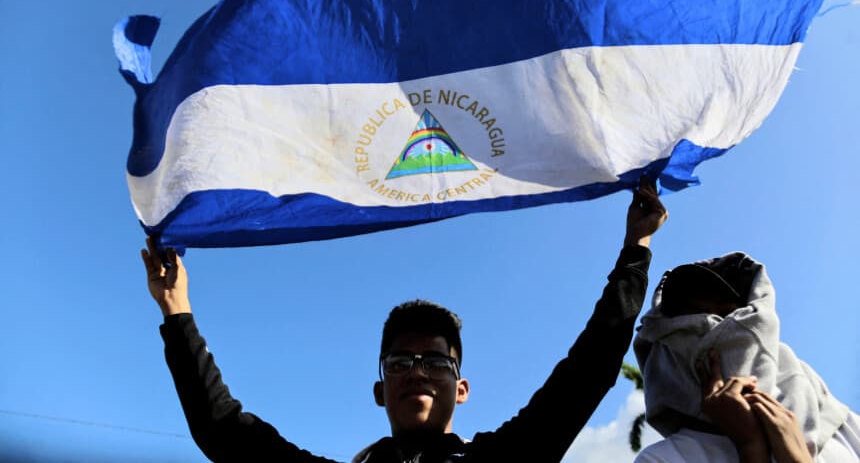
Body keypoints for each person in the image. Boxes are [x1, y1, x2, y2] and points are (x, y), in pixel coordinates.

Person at [142, 178, 668, 463]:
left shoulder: (506, 459)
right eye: (400, 363)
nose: (417, 371)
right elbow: (224, 432)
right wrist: (175, 309)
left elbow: (588, 371)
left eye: (435, 362)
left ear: (461, 388)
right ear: (379, 390)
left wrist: (636, 249)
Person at [633, 253, 860, 463]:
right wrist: (751, 447)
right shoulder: (662, 459)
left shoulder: (844, 427)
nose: (709, 325)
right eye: (692, 314)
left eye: (727, 315)